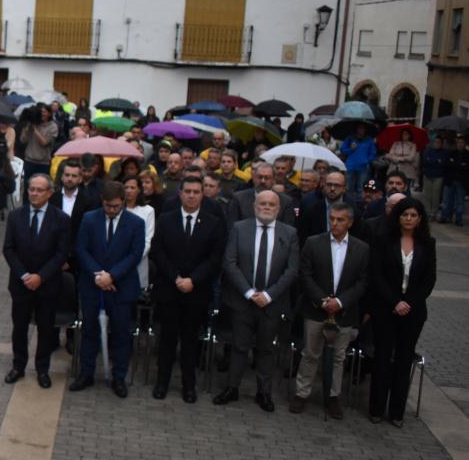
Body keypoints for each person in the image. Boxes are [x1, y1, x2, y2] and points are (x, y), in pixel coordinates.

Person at [215, 190, 299, 413]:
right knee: (239, 346)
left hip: (272, 303)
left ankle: (264, 393)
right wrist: (248, 292)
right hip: (243, 301)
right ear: (254, 206)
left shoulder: (289, 233)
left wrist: (269, 295)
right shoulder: (239, 228)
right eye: (262, 203)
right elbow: (229, 262)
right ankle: (232, 388)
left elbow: (292, 270)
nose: (267, 207)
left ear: (278, 209)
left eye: (271, 204)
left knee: (266, 349)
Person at [290, 201, 369, 420]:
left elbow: (362, 282)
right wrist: (321, 299)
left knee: (338, 357)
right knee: (310, 353)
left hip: (344, 312)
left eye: (340, 220)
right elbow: (305, 274)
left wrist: (341, 302)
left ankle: (333, 396)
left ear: (350, 222)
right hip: (316, 309)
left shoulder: (362, 249)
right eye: (332, 219)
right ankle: (302, 393)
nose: (335, 223)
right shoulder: (314, 243)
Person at [152, 175, 226, 402]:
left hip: (197, 292)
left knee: (190, 341)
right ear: (180, 194)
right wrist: (175, 278)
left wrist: (193, 280)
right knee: (167, 339)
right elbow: (157, 251)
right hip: (169, 289)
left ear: (203, 194)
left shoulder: (213, 222)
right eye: (188, 192)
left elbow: (215, 258)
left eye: (196, 192)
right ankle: (162, 383)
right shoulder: (166, 219)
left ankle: (188, 386)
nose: (192, 196)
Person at [69, 181, 146, 399]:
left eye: (116, 206)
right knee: (89, 330)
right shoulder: (89, 219)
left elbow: (135, 254)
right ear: (102, 201)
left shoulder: (136, 223)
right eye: (108, 206)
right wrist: (98, 275)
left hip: (121, 286)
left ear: (123, 202)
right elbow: (81, 249)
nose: (111, 210)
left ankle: (119, 377)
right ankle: (86, 373)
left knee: (121, 333)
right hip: (92, 285)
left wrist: (111, 276)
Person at [369, 196, 437, 426]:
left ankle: (397, 412)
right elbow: (376, 275)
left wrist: (409, 302)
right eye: (405, 214)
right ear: (398, 217)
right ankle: (376, 408)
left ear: (420, 219)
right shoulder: (383, 240)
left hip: (413, 311)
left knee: (403, 359)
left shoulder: (428, 244)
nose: (408, 219)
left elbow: (429, 280)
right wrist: (395, 302)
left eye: (413, 215)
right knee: (382, 358)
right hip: (386, 308)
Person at [2, 174, 71, 389]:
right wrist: (24, 275)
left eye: (39, 190)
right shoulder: (15, 216)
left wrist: (41, 276)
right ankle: (18, 366)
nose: (34, 193)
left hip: (47, 284)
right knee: (19, 327)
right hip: (21, 284)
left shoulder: (61, 219)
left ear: (49, 193)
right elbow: (9, 249)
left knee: (46, 328)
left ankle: (42, 369)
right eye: (31, 189)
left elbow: (61, 253)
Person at [296, 168, 351, 244]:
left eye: (337, 185)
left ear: (344, 188)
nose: (332, 188)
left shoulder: (351, 205)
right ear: (324, 185)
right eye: (329, 185)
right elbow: (302, 233)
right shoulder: (310, 205)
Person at [122, 175, 154, 292]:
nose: (128, 191)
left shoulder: (148, 210)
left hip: (139, 261)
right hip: (117, 261)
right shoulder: (116, 209)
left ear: (139, 189)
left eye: (132, 187)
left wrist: (133, 258)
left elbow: (148, 239)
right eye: (126, 187)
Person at [52, 159, 93, 236]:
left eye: (74, 176)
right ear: (62, 177)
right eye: (67, 175)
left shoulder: (88, 201)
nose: (70, 179)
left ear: (80, 179)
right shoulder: (52, 198)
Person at [340, 124, 376, 200]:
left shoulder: (369, 139)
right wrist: (351, 149)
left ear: (365, 129)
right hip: (350, 166)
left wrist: (366, 160)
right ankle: (348, 202)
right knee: (348, 187)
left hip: (363, 167)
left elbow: (373, 153)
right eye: (359, 128)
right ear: (356, 129)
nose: (361, 130)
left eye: (363, 128)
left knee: (361, 187)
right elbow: (343, 150)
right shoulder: (350, 138)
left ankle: (360, 203)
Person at [441, 135, 468, 225]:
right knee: (447, 200)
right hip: (450, 180)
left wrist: (455, 164)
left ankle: (458, 219)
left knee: (460, 201)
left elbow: (466, 168)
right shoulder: (451, 153)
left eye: (462, 143)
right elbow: (446, 165)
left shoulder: (467, 155)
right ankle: (445, 217)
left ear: (465, 144)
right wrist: (460, 165)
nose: (460, 144)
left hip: (462, 181)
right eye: (458, 142)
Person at [421, 135, 448, 220]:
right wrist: (436, 161)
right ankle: (428, 212)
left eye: (438, 142)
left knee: (436, 196)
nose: (436, 144)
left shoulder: (444, 152)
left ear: (442, 143)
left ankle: (434, 212)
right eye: (435, 142)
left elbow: (442, 163)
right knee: (427, 195)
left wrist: (431, 161)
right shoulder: (428, 151)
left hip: (438, 176)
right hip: (428, 175)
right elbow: (425, 161)